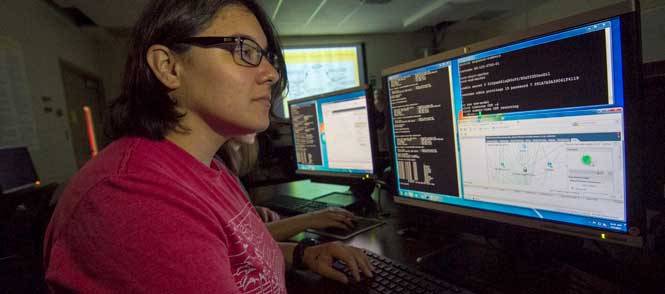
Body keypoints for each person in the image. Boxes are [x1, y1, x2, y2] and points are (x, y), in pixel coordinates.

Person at [43, 0, 372, 292]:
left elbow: (241, 255)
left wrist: (303, 253)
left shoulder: (208, 166)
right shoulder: (133, 198)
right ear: (169, 67)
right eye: (245, 50)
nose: (271, 73)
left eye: (267, 56)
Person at [218, 133, 357, 241]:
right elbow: (246, 240)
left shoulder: (224, 166)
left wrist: (247, 213)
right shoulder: (214, 169)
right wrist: (310, 219)